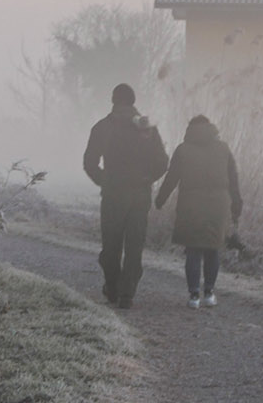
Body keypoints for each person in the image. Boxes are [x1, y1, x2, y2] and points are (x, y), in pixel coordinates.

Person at [83, 83, 168, 309]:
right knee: (134, 244)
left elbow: (89, 163)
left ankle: (112, 287)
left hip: (113, 194)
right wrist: (148, 179)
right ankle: (127, 293)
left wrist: (105, 181)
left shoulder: (102, 127)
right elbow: (162, 162)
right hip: (140, 195)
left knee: (110, 245)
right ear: (133, 101)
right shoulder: (147, 127)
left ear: (114, 101)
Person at [154, 114, 242, 309]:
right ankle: (209, 293)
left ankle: (194, 295)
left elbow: (171, 178)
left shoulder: (183, 150)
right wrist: (237, 205)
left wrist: (160, 199)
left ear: (190, 129)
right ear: (211, 127)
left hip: (190, 205)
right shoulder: (223, 149)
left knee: (193, 250)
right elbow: (233, 179)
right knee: (212, 249)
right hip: (218, 206)